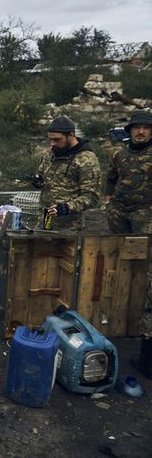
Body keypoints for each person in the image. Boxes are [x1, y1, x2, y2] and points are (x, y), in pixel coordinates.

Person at [103, 111, 152, 378]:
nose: (141, 132)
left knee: (146, 266)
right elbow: (110, 176)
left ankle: (144, 316)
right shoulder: (119, 154)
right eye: (137, 128)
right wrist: (109, 198)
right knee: (119, 259)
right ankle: (117, 311)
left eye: (146, 128)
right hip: (120, 212)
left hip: (146, 215)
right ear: (130, 130)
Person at [31, 117, 101, 230]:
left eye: (57, 139)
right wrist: (38, 181)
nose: (52, 144)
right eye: (50, 139)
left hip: (70, 226)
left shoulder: (86, 159)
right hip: (45, 220)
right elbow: (41, 173)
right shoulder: (51, 154)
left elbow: (92, 196)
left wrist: (67, 207)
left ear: (71, 135)